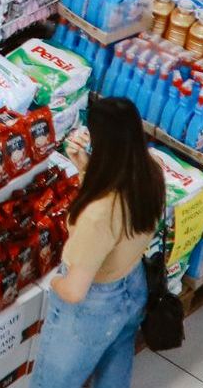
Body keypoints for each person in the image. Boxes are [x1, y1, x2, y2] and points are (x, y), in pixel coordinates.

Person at [32, 98, 163, 388]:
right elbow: (120, 219)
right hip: (133, 285)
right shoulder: (150, 173)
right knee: (114, 373)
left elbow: (76, 292)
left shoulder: (97, 215)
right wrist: (85, 170)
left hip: (95, 304)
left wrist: (55, 285)